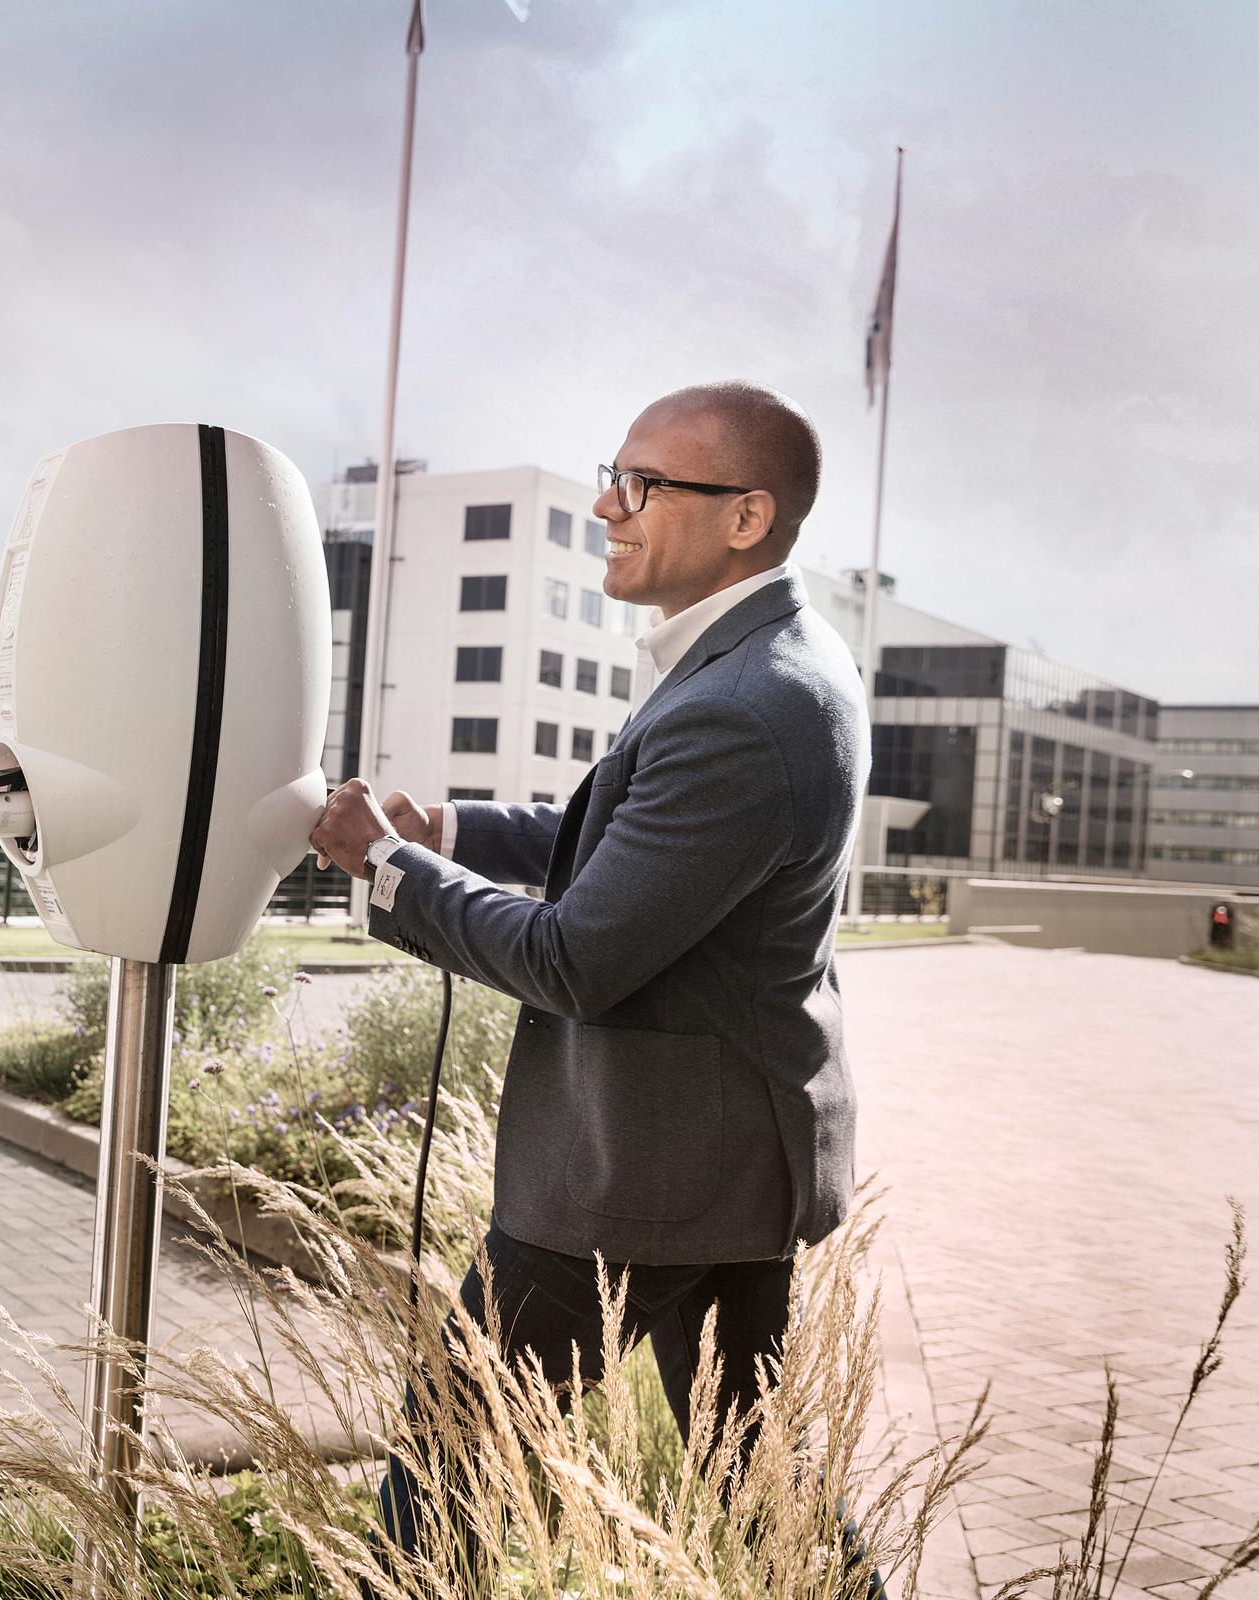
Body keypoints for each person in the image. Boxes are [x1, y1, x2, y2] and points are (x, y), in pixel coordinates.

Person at [308, 381, 870, 1559]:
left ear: (747, 517)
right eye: (614, 475)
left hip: (649, 1172)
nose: (608, 506)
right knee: (764, 1490)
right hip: (723, 1151)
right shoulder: (766, 659)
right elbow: (632, 838)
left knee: (446, 1467)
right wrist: (451, 830)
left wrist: (387, 866)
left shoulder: (748, 702)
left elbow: (573, 959)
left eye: (642, 484)